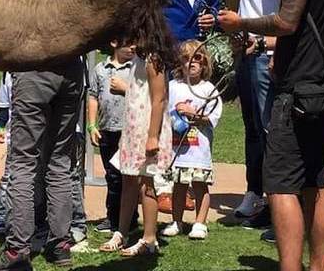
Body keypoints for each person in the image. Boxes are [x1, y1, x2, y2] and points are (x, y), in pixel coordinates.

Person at [219, 0, 324, 271]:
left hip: (297, 82)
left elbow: (287, 21)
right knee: (316, 182)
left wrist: (243, 24)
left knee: (282, 183)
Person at [0, 0, 84, 271]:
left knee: (24, 162)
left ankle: (17, 251)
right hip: (72, 70)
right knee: (60, 163)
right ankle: (60, 246)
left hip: (33, 68)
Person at [228, 0, 292, 227]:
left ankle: (273, 201)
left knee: (267, 127)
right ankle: (258, 193)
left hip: (265, 49)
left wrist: (272, 41)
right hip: (251, 46)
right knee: (255, 125)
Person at [99, 52, 171, 257]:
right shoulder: (137, 60)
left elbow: (158, 99)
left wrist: (153, 137)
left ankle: (149, 238)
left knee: (147, 182)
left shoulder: (154, 59)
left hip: (147, 129)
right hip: (133, 128)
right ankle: (121, 232)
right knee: (128, 179)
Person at [161, 40, 223, 240]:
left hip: (199, 151)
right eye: (186, 58)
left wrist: (192, 113)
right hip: (176, 149)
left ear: (204, 63)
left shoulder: (209, 89)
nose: (192, 62)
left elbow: (212, 118)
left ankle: (200, 223)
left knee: (199, 185)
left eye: (197, 58)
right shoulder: (172, 86)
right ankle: (176, 221)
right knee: (178, 186)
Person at [87, 40, 139, 235]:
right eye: (129, 43)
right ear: (115, 43)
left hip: (128, 131)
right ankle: (113, 216)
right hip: (106, 130)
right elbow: (93, 96)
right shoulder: (100, 69)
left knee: (128, 177)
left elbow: (146, 94)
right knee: (112, 176)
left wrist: (126, 88)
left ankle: (129, 219)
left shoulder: (135, 68)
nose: (133, 47)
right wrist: (92, 125)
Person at [0, 72, 14, 239]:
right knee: (8, 177)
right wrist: (0, 125)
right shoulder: (8, 73)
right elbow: (4, 103)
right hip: (15, 135)